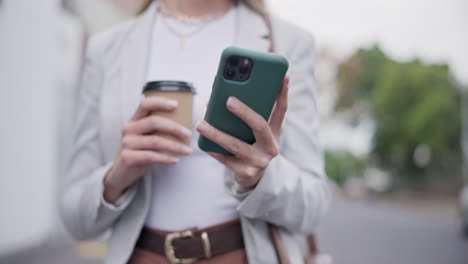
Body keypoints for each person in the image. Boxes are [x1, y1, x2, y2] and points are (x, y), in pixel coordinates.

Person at [60, 0, 330, 263]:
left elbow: (314, 208)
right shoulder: (107, 48)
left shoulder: (289, 41)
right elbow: (74, 219)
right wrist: (115, 179)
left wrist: (262, 177)